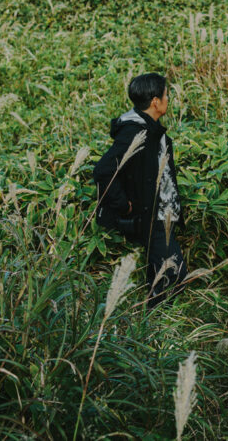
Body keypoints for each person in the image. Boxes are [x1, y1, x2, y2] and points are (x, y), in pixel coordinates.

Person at [93, 73, 187, 308]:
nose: (169, 99)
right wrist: (124, 204)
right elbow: (103, 170)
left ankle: (155, 321)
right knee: (172, 271)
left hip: (161, 213)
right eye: (166, 95)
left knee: (164, 270)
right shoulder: (134, 132)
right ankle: (156, 320)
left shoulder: (149, 128)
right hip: (151, 214)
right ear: (155, 101)